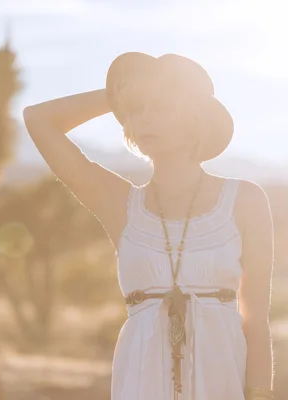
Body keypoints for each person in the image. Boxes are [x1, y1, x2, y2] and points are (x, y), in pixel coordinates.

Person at [23, 52, 274, 400]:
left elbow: (255, 319)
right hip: (141, 383)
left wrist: (260, 395)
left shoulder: (245, 200)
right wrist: (115, 95)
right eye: (137, 110)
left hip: (222, 381)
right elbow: (38, 119)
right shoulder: (120, 205)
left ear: (194, 118)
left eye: (161, 107)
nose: (145, 119)